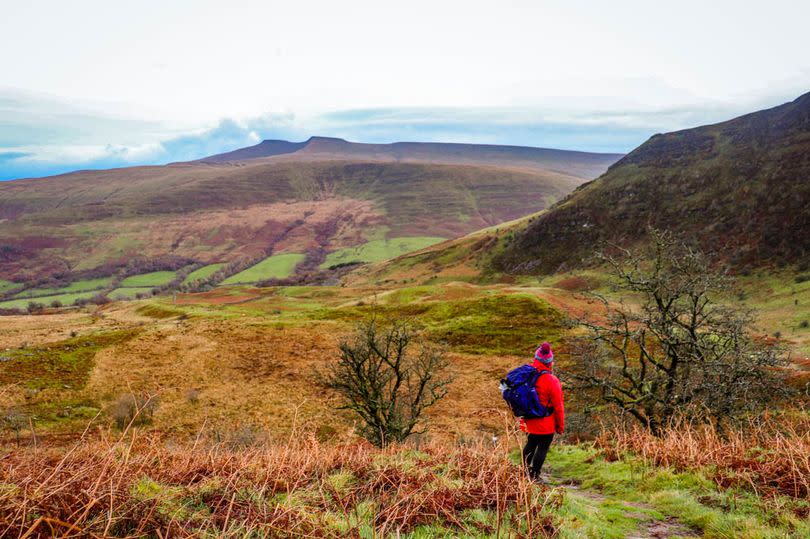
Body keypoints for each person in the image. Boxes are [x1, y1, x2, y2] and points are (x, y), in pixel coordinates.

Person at [520, 342, 565, 482]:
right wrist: (560, 426)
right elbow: (558, 406)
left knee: (531, 443)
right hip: (546, 422)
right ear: (550, 362)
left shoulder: (528, 375)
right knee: (542, 447)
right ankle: (534, 476)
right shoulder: (552, 380)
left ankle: (523, 473)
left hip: (529, 419)